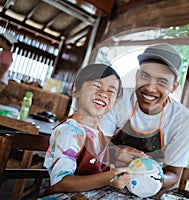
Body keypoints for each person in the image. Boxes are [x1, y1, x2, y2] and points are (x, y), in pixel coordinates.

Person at [99, 43, 189, 192]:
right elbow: (96, 146)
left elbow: (174, 175)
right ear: (137, 75)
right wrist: (115, 153)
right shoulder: (117, 98)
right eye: (145, 76)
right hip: (103, 180)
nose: (150, 88)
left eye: (162, 82)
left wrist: (150, 178)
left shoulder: (183, 120)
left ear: (173, 87)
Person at [43, 64, 130, 194]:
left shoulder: (99, 134)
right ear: (75, 90)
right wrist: (107, 178)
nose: (103, 94)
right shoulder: (69, 131)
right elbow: (60, 183)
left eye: (111, 91)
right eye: (96, 86)